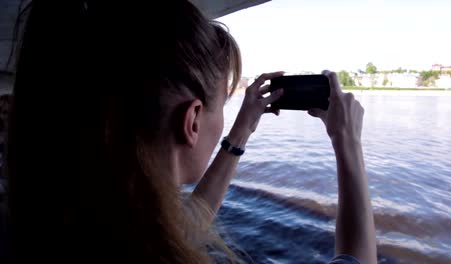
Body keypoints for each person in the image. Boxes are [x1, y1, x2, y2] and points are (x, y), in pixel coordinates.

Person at [4, 1, 376, 264]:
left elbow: (184, 226)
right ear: (193, 120)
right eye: (222, 103)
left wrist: (242, 129)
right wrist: (349, 144)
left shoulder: (63, 224)